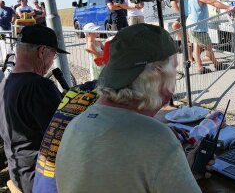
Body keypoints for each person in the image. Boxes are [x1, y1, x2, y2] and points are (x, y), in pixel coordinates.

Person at [56, 24, 212, 193]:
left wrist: (181, 171)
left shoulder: (76, 125)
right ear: (158, 75)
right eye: (174, 71)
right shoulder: (155, 137)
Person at [0, 25, 69, 193]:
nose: (53, 61)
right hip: (40, 180)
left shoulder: (6, 84)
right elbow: (65, 137)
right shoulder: (39, 86)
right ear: (42, 51)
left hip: (20, 175)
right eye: (54, 54)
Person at [186, 0, 235, 74]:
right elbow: (212, 2)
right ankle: (216, 65)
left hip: (192, 25)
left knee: (196, 46)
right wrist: (228, 7)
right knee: (208, 46)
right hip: (198, 27)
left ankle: (200, 67)